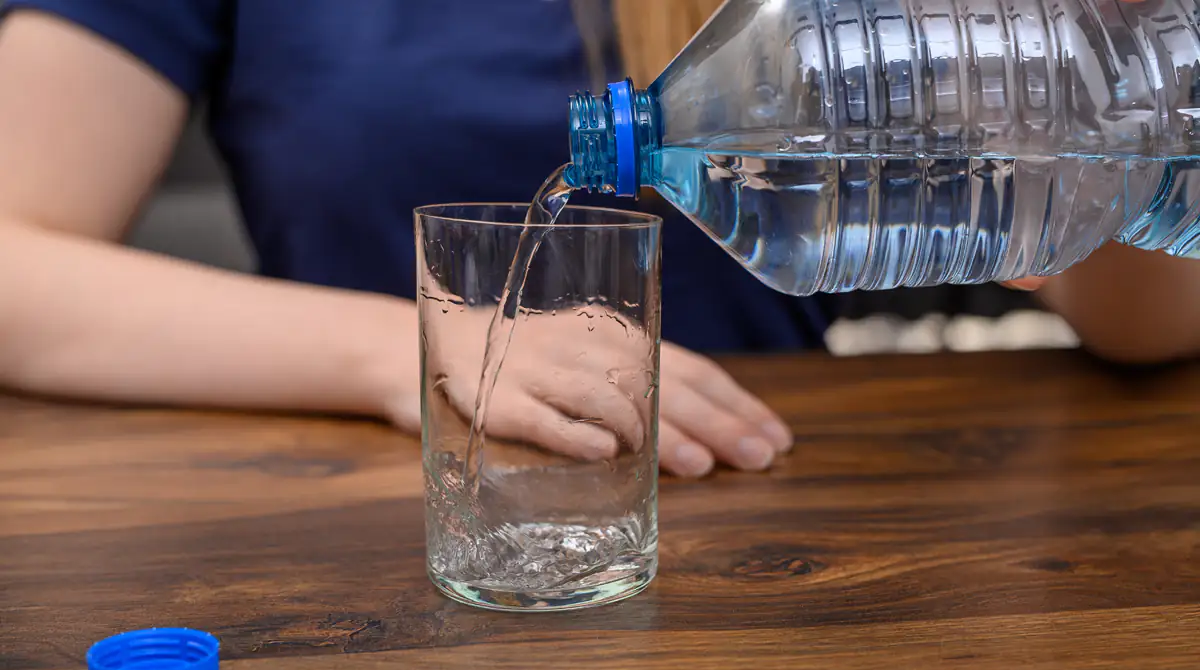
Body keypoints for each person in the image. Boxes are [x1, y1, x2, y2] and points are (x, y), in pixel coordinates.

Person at [0, 1, 1195, 480]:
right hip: (379, 524)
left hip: (779, 511)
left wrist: (1123, 71)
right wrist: (414, 346)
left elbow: (1147, 324)